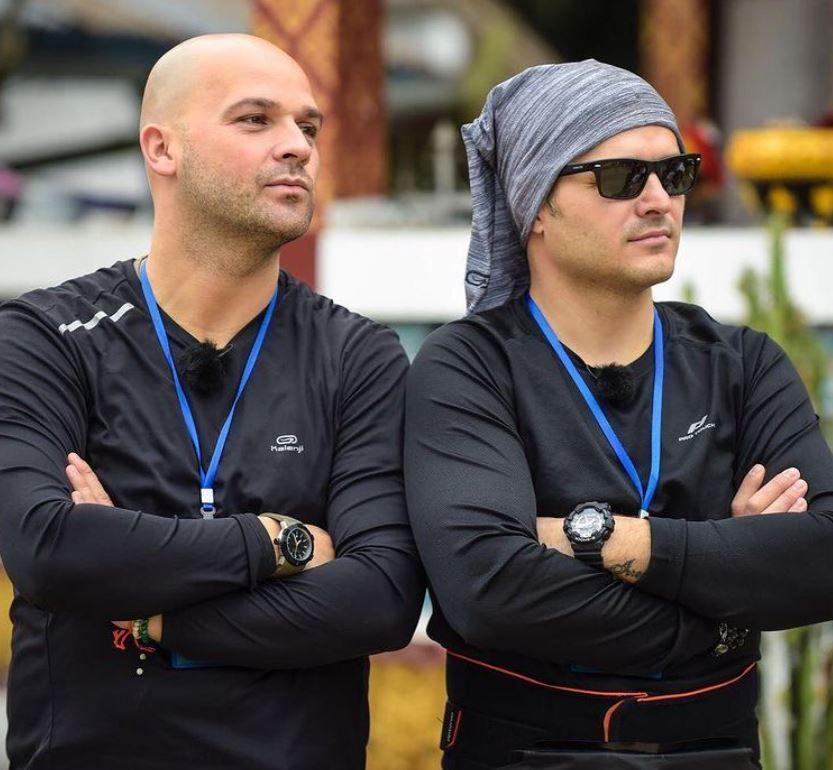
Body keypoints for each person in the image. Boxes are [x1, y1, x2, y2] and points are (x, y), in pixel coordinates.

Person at [0, 34, 423, 770]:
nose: (296, 146)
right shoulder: (46, 336)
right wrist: (278, 543)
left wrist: (147, 611)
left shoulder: (357, 355)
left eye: (308, 126)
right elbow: (48, 549)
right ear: (162, 148)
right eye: (255, 119)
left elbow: (380, 598)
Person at [404, 60, 833, 769]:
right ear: (537, 204)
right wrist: (727, 590)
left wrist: (608, 541)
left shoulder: (740, 362)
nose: (658, 200)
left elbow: (822, 560)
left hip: (719, 751)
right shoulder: (469, 366)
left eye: (675, 173)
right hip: (530, 754)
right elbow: (490, 589)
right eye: (620, 178)